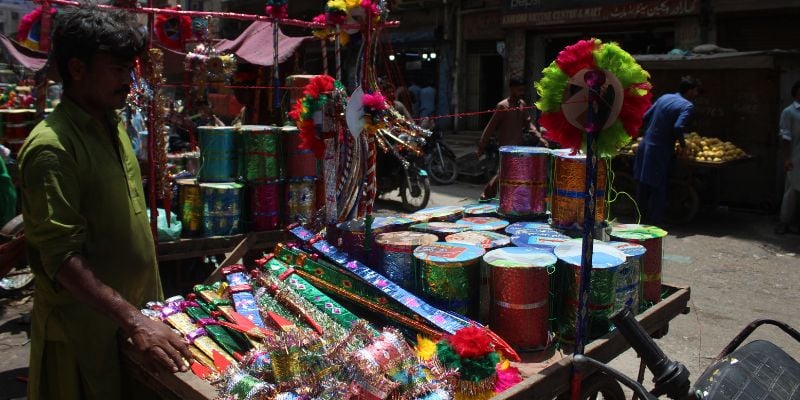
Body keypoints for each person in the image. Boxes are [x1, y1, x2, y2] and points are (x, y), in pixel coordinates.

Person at [18, 7, 192, 400]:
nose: (129, 81)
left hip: (134, 327)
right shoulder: (52, 148)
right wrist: (133, 320)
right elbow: (61, 259)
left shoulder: (111, 125)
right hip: (86, 338)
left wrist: (141, 319)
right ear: (77, 69)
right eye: (117, 70)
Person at [633, 76, 701, 225]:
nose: (696, 94)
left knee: (643, 184)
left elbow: (645, 116)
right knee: (658, 185)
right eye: (696, 91)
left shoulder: (664, 97)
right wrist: (683, 146)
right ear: (689, 91)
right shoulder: (687, 106)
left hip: (645, 145)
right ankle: (656, 222)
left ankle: (639, 218)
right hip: (660, 149)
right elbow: (678, 127)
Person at [476, 77, 547, 200]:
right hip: (505, 148)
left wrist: (540, 137)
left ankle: (510, 199)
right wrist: (481, 146)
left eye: (523, 89)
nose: (521, 92)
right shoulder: (503, 106)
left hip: (518, 147)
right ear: (511, 88)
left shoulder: (522, 105)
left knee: (513, 175)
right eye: (519, 89)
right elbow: (490, 128)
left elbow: (528, 124)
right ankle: (486, 195)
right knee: (503, 173)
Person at [776, 81, 800, 234]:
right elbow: (786, 137)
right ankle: (784, 222)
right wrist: (787, 158)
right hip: (796, 157)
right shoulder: (789, 112)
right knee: (791, 190)